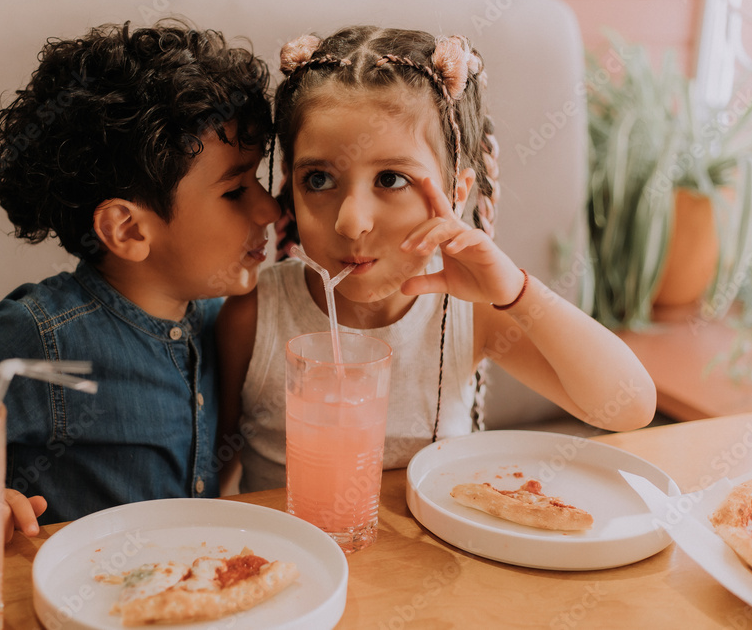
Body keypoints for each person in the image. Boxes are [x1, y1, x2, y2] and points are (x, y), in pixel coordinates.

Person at [0, 20, 280, 537]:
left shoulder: (226, 317)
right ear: (127, 228)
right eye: (236, 191)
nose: (268, 208)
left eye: (259, 179)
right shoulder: (42, 334)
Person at [217, 26, 657, 494]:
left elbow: (629, 407)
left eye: (390, 179)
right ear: (288, 184)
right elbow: (211, 472)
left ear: (454, 194)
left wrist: (518, 295)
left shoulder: (472, 311)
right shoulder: (256, 314)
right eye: (320, 180)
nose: (351, 222)